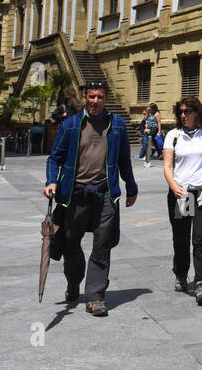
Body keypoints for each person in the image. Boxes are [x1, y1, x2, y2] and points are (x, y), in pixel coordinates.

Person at [43, 81, 137, 316]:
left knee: (102, 243)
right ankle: (74, 280)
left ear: (106, 99)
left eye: (100, 97)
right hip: (75, 194)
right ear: (85, 98)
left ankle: (95, 297)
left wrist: (131, 186)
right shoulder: (71, 125)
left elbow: (124, 159)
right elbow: (54, 158)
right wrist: (51, 181)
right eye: (91, 97)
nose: (95, 101)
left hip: (105, 192)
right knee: (71, 243)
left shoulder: (116, 125)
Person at [163, 96, 202, 305]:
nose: (183, 115)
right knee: (181, 238)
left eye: (187, 111)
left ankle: (201, 283)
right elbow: (168, 166)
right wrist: (174, 187)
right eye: (180, 112)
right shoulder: (173, 135)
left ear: (197, 112)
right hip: (182, 194)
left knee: (200, 238)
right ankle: (181, 273)